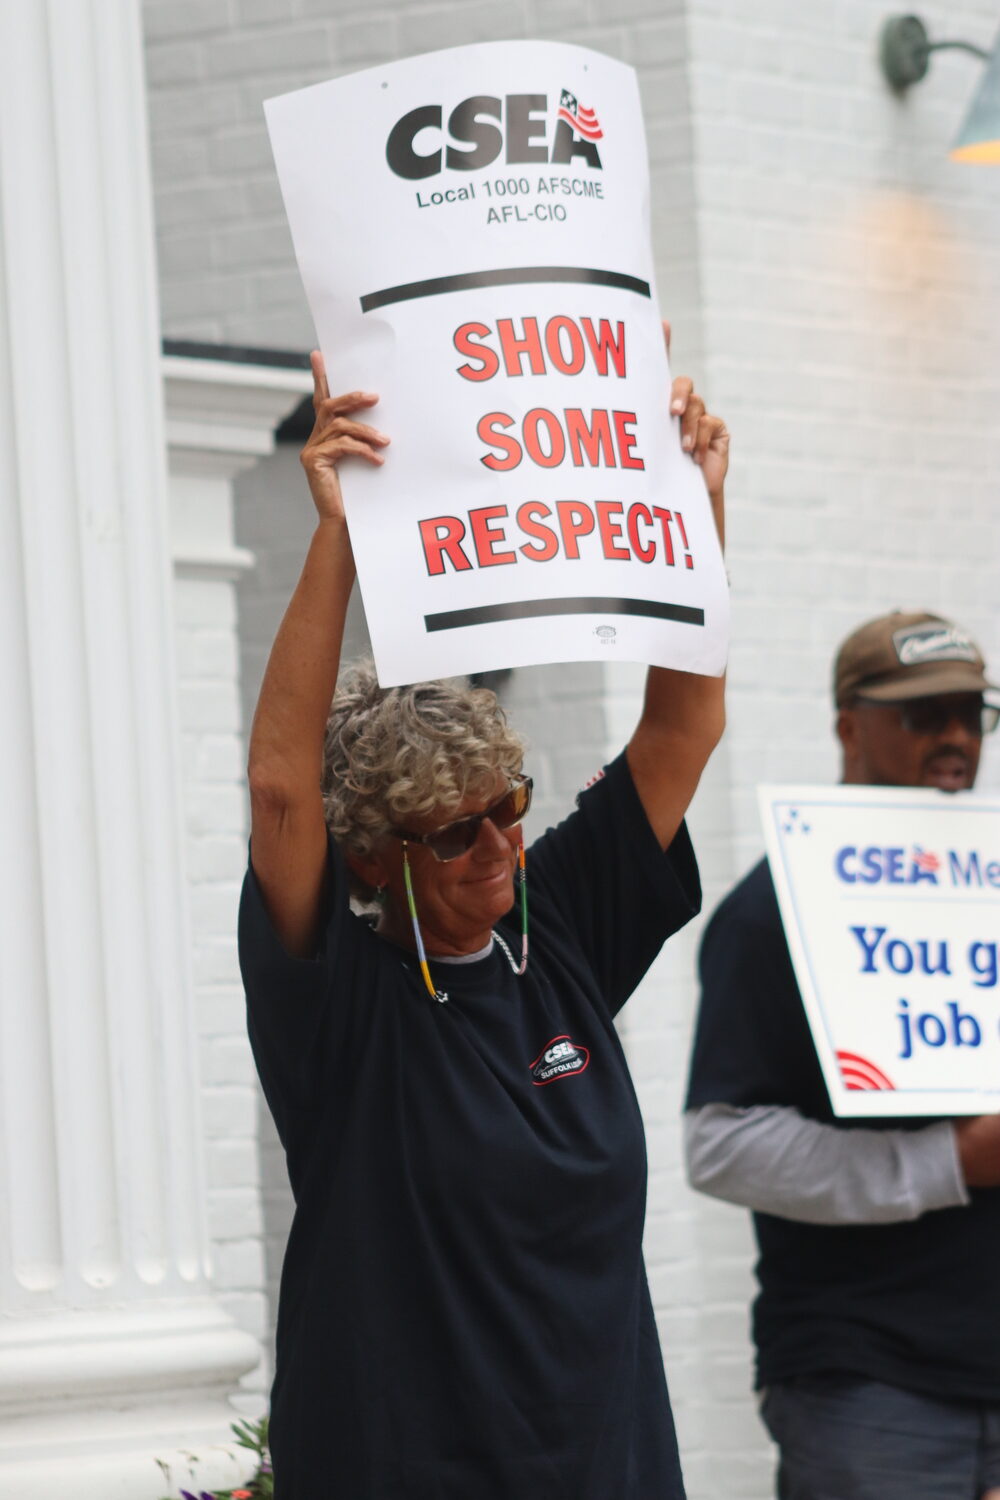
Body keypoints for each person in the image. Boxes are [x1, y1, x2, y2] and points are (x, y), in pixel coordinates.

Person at [238, 334, 729, 1498]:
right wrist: (338, 542)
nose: (500, 845)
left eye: (505, 807)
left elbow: (679, 733)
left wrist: (693, 519)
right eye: (454, 832)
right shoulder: (337, 997)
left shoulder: (551, 924)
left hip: (604, 1469)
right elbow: (277, 789)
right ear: (373, 856)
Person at [684, 609, 1000, 1500]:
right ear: (847, 726)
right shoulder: (771, 910)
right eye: (920, 713)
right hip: (870, 1380)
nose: (952, 738)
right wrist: (950, 1159)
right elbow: (722, 1145)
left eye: (969, 715)